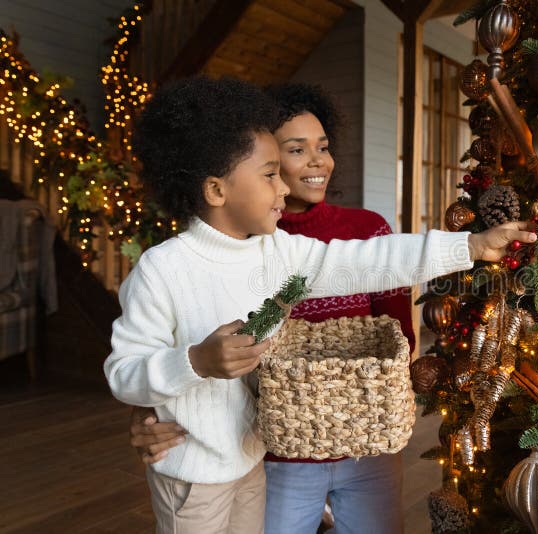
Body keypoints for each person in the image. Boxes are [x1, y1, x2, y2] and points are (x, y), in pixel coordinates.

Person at [107, 75, 536, 534]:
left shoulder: (278, 252)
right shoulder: (161, 270)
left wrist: (470, 246)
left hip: (251, 463)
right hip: (191, 475)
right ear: (216, 191)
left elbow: (370, 260)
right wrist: (194, 361)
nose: (282, 189)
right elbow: (123, 372)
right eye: (271, 174)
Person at [131, 82, 416, 534]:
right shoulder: (236, 253)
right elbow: (182, 346)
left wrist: (470, 246)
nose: (316, 160)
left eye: (323, 146)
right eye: (294, 151)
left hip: (364, 446)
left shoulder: (359, 232)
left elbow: (399, 334)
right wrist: (156, 408)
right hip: (275, 453)